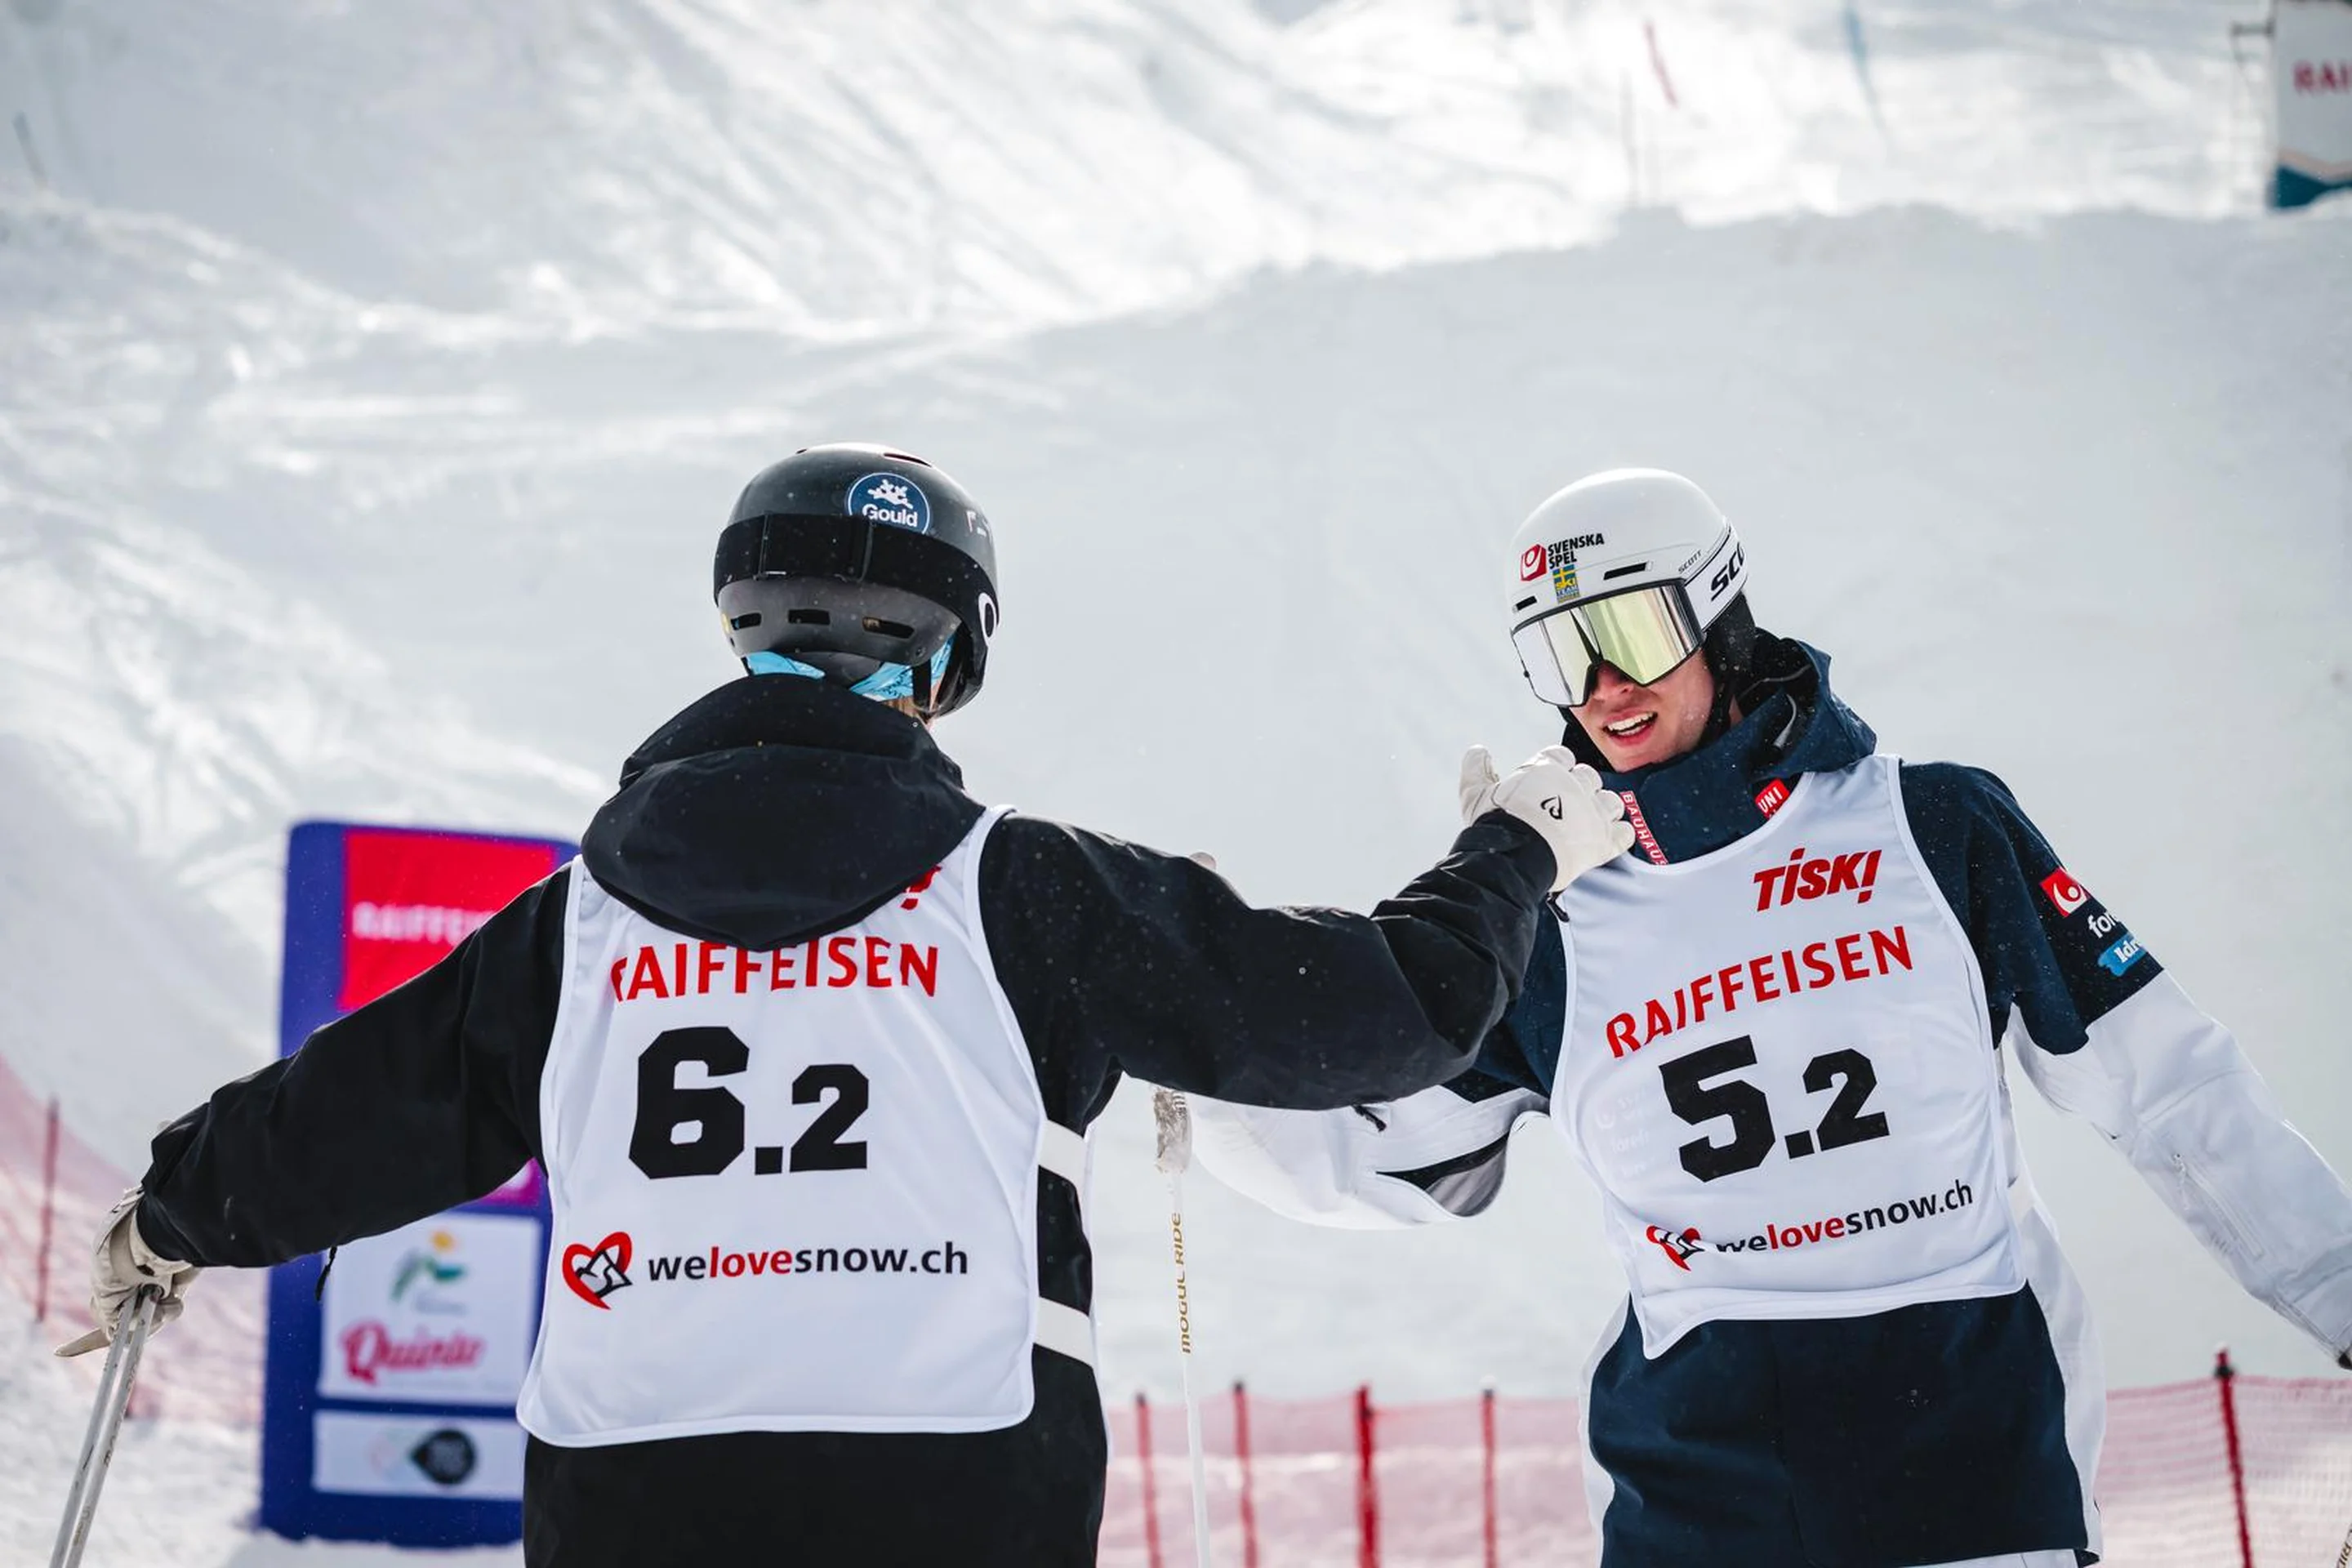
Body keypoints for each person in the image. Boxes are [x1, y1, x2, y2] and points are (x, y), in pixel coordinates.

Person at [64, 443, 1637, 1566]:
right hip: (951, 1484)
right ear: (948, 666)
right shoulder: (1024, 891)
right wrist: (1515, 852)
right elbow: (1377, 1017)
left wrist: (176, 1215)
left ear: (740, 630)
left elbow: (365, 1111)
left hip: (636, 1494)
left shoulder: (582, 924)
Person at [1192, 468, 2352, 1568]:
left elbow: (2171, 1090)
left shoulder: (1936, 827)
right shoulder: (1550, 925)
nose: (1603, 685)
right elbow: (1374, 1153)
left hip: (1970, 1456)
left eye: (1633, 632)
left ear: (1721, 619)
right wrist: (1185, 1046)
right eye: (1561, 650)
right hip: (1700, 1489)